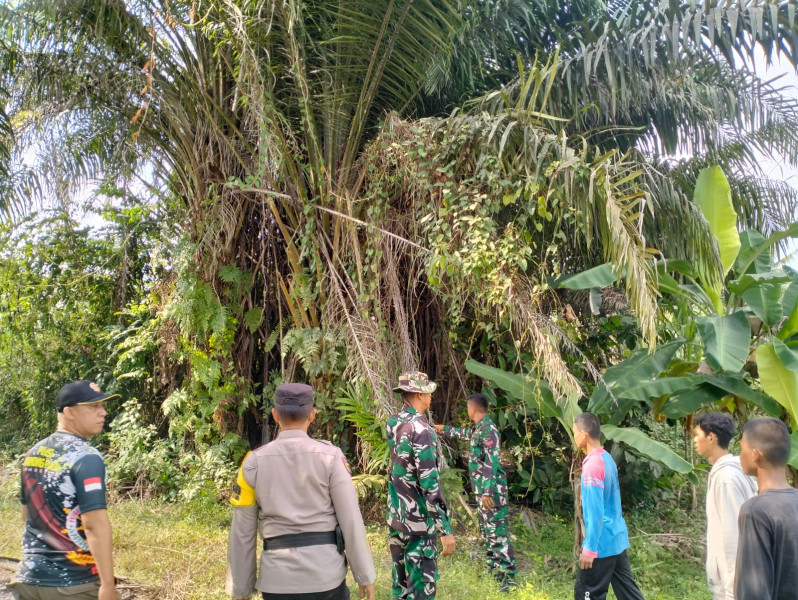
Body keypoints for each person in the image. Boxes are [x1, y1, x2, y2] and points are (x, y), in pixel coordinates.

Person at [225, 382, 376, 600]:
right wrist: (365, 576)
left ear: (275, 415)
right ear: (313, 415)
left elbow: (242, 532)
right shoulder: (331, 458)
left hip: (277, 581)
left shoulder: (252, 463)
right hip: (326, 578)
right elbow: (351, 520)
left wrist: (240, 589)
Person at [9, 380, 121, 600]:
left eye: (103, 406)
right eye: (93, 407)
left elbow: (27, 516)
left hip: (27, 580)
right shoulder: (86, 458)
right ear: (69, 412)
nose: (103, 413)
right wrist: (108, 586)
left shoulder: (34, 453)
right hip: (73, 584)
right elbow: (94, 525)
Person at [435, 393, 517, 591]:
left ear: (473, 408)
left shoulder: (489, 431)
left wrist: (487, 491)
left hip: (492, 493)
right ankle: (495, 571)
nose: (467, 410)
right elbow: (466, 434)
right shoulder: (480, 429)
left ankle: (508, 577)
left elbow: (492, 461)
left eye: (468, 407)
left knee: (498, 532)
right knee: (489, 531)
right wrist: (444, 429)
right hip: (484, 493)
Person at [387, 372, 455, 600]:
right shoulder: (422, 430)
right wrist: (444, 529)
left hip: (397, 518)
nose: (431, 397)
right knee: (420, 592)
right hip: (419, 526)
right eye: (428, 393)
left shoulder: (393, 423)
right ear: (418, 394)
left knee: (401, 589)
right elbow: (429, 483)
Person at [573, 412, 645, 600]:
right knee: (630, 595)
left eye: (575, 433)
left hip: (601, 544)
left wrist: (589, 549)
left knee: (587, 595)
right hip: (617, 538)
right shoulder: (606, 458)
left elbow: (596, 513)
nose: (574, 437)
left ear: (584, 435)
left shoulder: (592, 467)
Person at [692, 412, 757, 600]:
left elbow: (733, 537)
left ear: (711, 438)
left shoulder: (726, 478)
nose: (695, 440)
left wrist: (731, 591)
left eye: (697, 435)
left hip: (733, 584)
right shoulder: (735, 470)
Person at [735, 417, 798, 600]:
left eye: (741, 448)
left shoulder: (755, 511)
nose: (740, 455)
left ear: (755, 454)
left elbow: (754, 591)